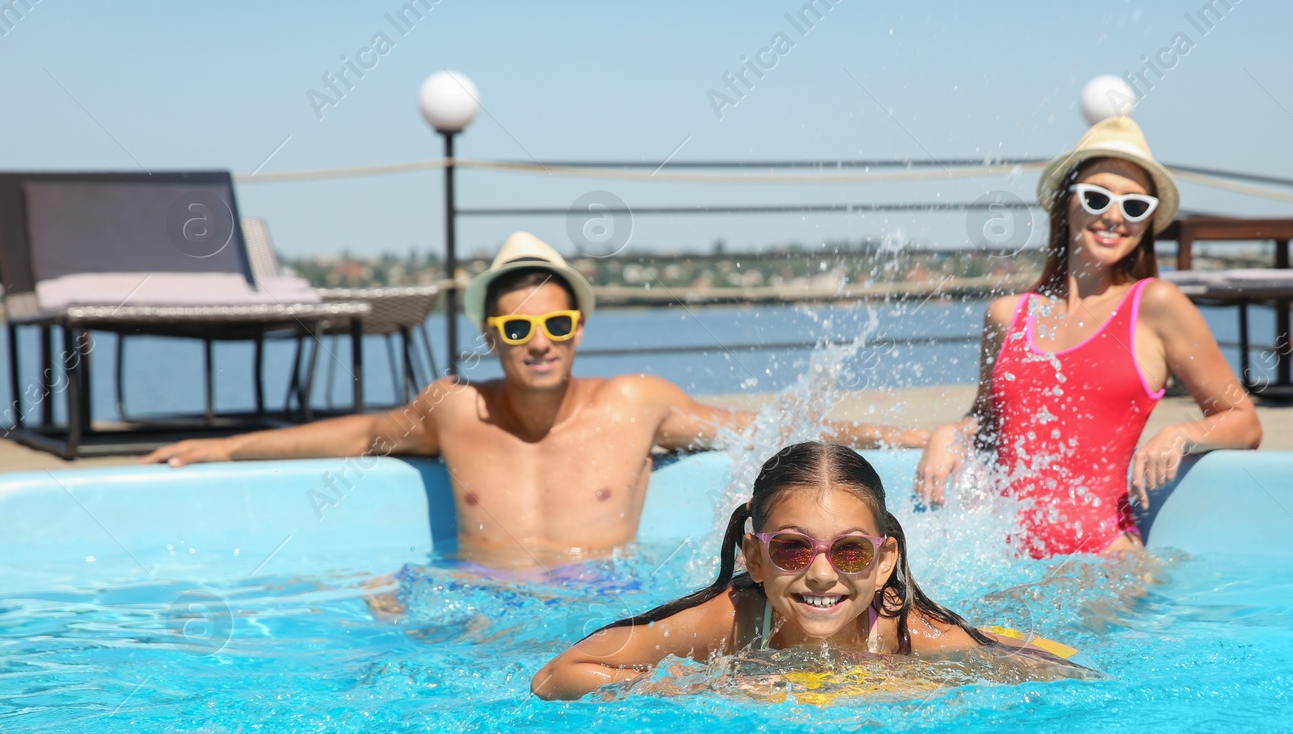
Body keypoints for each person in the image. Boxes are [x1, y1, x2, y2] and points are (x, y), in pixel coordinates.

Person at [144, 234, 928, 570]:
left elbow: (773, 430)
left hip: (600, 598)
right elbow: (363, 434)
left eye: (556, 322)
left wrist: (907, 434)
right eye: (518, 326)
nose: (539, 339)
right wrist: (224, 447)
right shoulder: (455, 410)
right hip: (474, 606)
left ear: (579, 326)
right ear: (492, 332)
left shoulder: (636, 404)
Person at [914, 117, 1261, 556]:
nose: (1114, 216)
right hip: (1003, 562)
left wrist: (1180, 433)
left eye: (1135, 206)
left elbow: (1244, 422)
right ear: (1066, 205)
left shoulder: (1156, 306)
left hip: (1103, 565)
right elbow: (991, 425)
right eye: (1097, 198)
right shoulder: (1007, 316)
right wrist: (950, 432)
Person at [532, 441, 1090, 701]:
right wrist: (691, 688)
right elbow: (557, 675)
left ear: (883, 562)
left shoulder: (907, 634)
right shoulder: (730, 619)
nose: (821, 575)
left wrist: (910, 680)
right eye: (793, 550)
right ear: (754, 557)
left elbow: (1064, 673)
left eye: (849, 552)